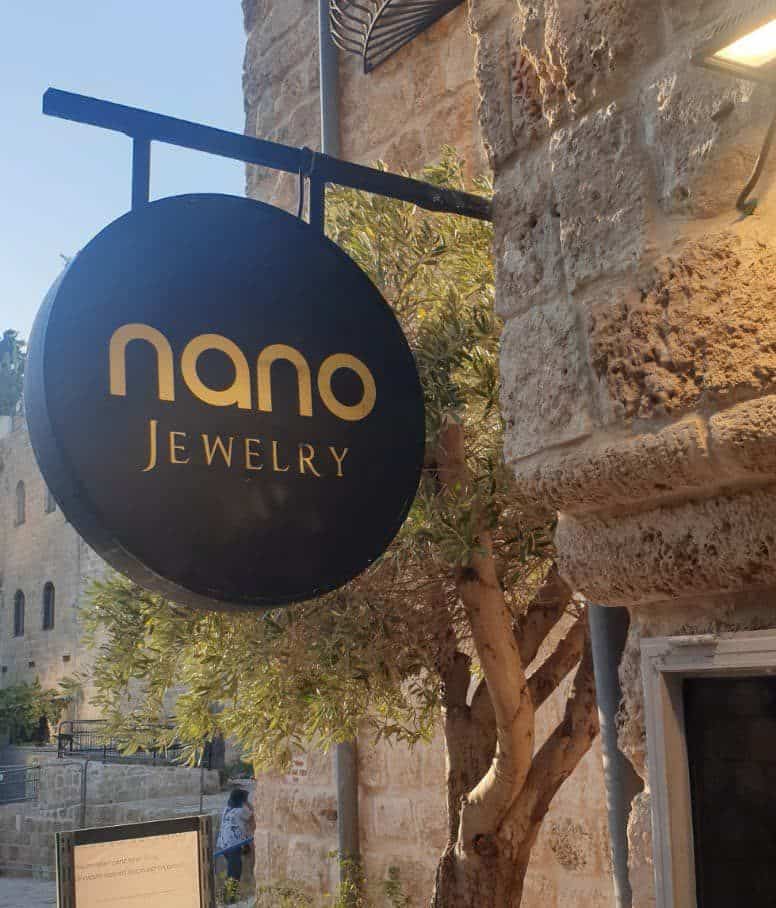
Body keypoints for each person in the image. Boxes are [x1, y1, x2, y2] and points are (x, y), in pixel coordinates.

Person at [216, 787, 253, 899]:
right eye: (245, 799)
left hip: (224, 845)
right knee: (234, 872)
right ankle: (229, 897)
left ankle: (228, 896)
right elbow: (253, 815)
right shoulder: (241, 811)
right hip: (233, 845)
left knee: (233, 870)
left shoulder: (226, 809)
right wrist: (247, 803)